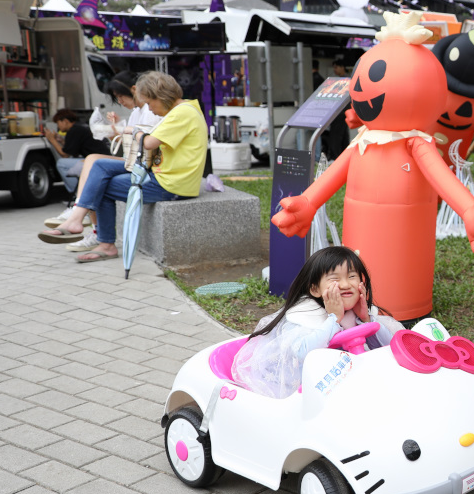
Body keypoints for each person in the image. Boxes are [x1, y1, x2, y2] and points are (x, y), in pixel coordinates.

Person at [37, 71, 208, 262]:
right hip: (165, 176)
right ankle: (78, 220)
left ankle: (98, 237)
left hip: (172, 184)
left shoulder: (182, 113)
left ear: (160, 96)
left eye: (150, 103)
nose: (150, 109)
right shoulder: (185, 109)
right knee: (99, 165)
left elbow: (149, 142)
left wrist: (133, 131)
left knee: (102, 185)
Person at [230, 247, 402, 398]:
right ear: (315, 289)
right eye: (335, 279)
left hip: (343, 383)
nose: (345, 284)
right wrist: (334, 319)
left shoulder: (360, 313)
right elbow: (303, 353)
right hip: (305, 388)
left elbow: (391, 349)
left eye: (352, 276)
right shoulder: (304, 314)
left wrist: (366, 320)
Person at [45, 71, 165, 252]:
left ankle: (83, 217)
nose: (120, 102)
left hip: (143, 163)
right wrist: (116, 130)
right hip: (135, 159)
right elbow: (130, 142)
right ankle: (83, 215)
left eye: (120, 97)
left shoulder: (151, 111)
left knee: (96, 168)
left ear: (134, 90)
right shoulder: (137, 111)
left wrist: (123, 131)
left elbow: (146, 141)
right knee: (91, 161)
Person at [43, 109, 110, 196]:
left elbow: (65, 154)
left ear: (65, 121)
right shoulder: (80, 127)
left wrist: (52, 140)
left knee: (61, 163)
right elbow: (73, 148)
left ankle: (78, 193)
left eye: (58, 123)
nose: (58, 126)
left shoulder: (74, 130)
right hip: (102, 159)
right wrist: (61, 141)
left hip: (97, 162)